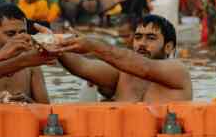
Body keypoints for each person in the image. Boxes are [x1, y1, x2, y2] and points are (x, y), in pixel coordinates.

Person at [55, 15, 192, 103]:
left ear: (168, 47)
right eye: (138, 37)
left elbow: (145, 68)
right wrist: (54, 45)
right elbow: (82, 67)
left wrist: (93, 47)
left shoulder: (178, 71)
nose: (142, 44)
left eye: (151, 38)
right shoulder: (123, 74)